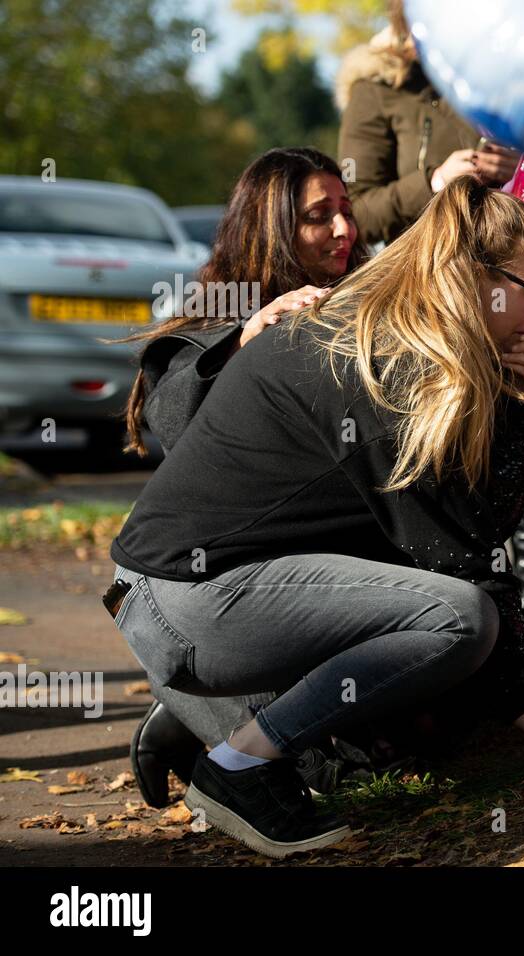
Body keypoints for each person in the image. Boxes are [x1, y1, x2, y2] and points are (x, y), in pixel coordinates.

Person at [105, 176, 524, 858]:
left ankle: (210, 719)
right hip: (184, 605)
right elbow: (459, 549)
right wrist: (522, 414)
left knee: (433, 700)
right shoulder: (385, 367)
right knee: (457, 622)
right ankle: (239, 767)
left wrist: (517, 698)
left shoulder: (400, 336)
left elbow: (455, 539)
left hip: (199, 590)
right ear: (470, 280)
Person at [337, 2, 524, 687]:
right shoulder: (381, 88)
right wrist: (436, 183)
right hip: (439, 314)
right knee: (441, 470)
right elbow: (352, 212)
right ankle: (446, 647)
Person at [116, 147, 365, 808]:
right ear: (271, 227)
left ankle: (193, 718)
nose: (344, 230)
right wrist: (246, 347)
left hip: (343, 553)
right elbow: (172, 414)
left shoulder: (362, 299)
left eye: (347, 211)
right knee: (320, 775)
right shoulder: (222, 314)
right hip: (228, 576)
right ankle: (202, 715)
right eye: (320, 216)